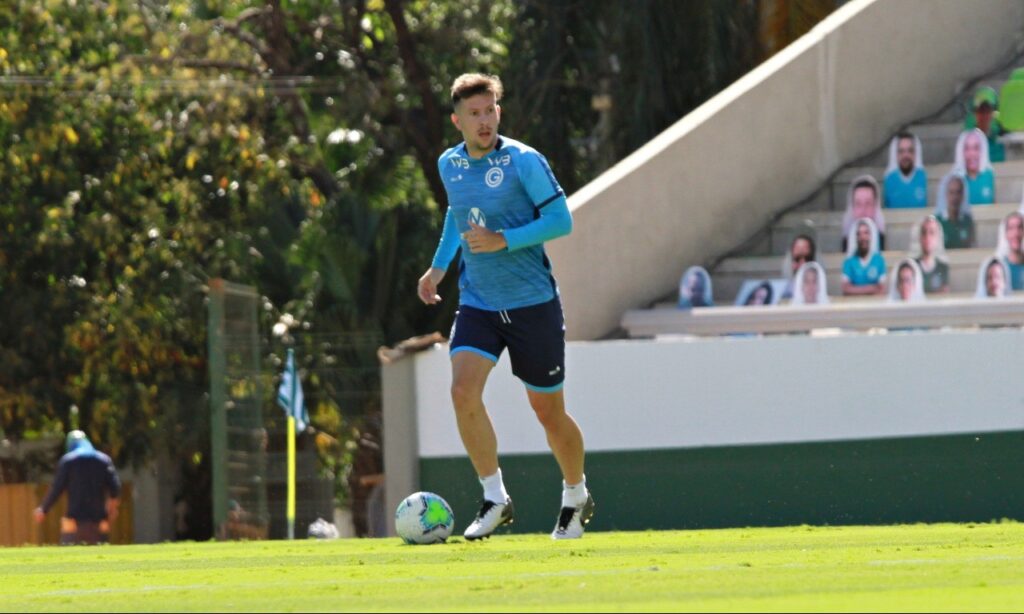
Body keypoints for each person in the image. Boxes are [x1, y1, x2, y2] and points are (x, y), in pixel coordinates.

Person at [417, 73, 593, 541]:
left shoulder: (524, 161)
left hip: (533, 303)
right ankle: (495, 497)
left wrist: (504, 241)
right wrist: (437, 270)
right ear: (457, 120)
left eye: (490, 110)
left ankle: (575, 494)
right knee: (462, 391)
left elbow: (561, 220)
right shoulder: (449, 164)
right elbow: (458, 218)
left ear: (499, 111)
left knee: (548, 413)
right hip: (478, 301)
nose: (484, 120)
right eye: (473, 113)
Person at [34, 430, 121, 545]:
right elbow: (115, 488)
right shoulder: (104, 460)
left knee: (69, 557)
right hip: (99, 521)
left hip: (73, 521)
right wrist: (111, 510)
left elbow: (57, 489)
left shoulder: (68, 461)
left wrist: (43, 509)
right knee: (99, 558)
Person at [842, 218, 887, 297]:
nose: (862, 237)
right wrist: (871, 288)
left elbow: (882, 289)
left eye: (866, 233)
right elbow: (846, 289)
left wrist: (855, 289)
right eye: (859, 234)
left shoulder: (879, 260)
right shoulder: (848, 262)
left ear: (871, 236)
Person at [841, 176, 886, 252]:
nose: (863, 210)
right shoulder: (847, 238)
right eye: (858, 204)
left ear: (875, 206)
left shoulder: (881, 237)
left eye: (868, 203)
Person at [883, 132, 928, 208]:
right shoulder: (889, 179)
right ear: (896, 155)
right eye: (901, 151)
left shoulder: (922, 176)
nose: (906, 155)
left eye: (910, 151)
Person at [964, 86, 1006, 163]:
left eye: (988, 110)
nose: (984, 115)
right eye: (980, 111)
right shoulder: (968, 139)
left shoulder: (1000, 137)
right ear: (974, 113)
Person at [953, 128, 995, 205]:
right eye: (967, 148)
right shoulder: (955, 179)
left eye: (976, 148)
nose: (971, 154)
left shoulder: (989, 175)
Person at [934, 171, 975, 249]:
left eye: (958, 192)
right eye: (951, 192)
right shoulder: (936, 222)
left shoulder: (968, 221)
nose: (955, 197)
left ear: (963, 195)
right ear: (945, 194)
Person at [909, 215, 950, 294]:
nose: (927, 237)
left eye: (932, 232)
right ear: (919, 237)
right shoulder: (911, 266)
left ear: (938, 237)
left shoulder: (943, 268)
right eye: (924, 232)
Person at [780, 234, 816, 300]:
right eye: (798, 248)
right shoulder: (786, 289)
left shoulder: (817, 285)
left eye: (806, 258)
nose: (801, 251)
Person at [996, 211, 1024, 291]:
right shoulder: (999, 269)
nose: (1016, 233)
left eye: (1020, 228)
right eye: (1011, 228)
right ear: (1005, 234)